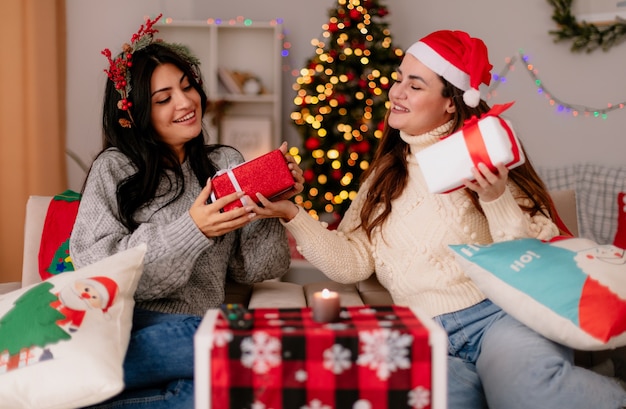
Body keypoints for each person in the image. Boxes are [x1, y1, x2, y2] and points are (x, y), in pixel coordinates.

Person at [253, 30, 626, 408]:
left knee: (527, 394)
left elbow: (531, 256)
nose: (396, 92)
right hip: (426, 335)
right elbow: (351, 263)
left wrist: (496, 199)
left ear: (451, 102)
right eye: (399, 79)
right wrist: (293, 214)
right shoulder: (384, 175)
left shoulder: (483, 154)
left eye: (414, 86)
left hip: (501, 318)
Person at [69, 14, 303, 408]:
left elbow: (260, 268)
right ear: (135, 114)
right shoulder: (114, 167)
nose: (185, 102)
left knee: (213, 393)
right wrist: (194, 229)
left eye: (187, 86)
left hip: (194, 334)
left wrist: (272, 209)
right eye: (163, 99)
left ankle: (86, 382)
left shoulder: (223, 161)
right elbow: (96, 269)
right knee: (245, 353)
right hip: (131, 328)